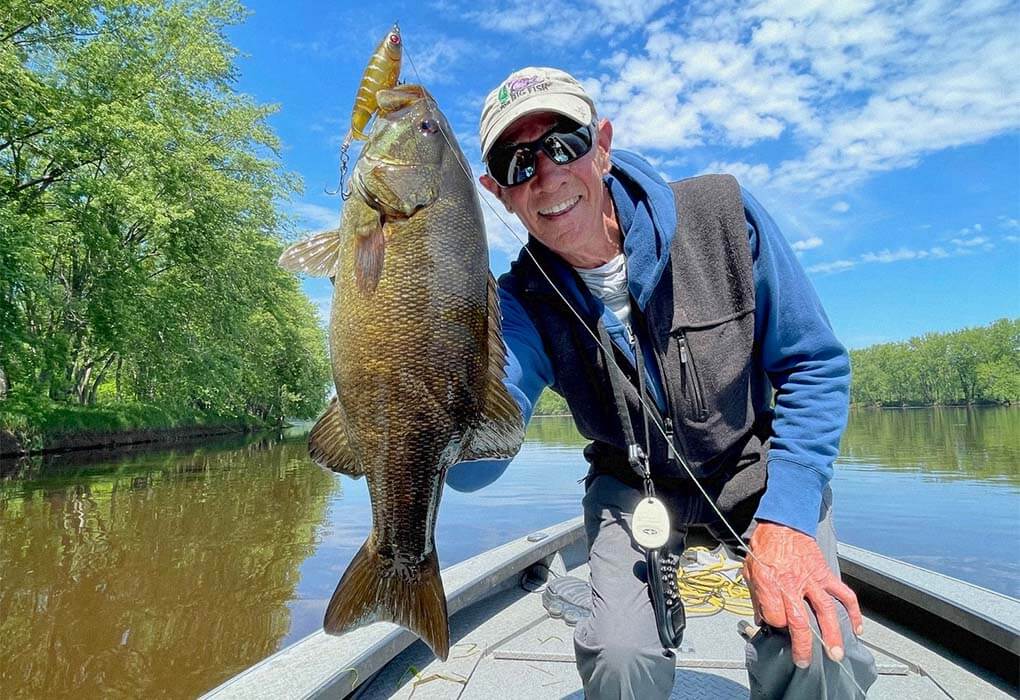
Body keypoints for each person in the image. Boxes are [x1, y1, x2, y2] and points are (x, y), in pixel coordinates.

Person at [445, 66, 878, 699]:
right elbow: (472, 467)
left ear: (603, 143)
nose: (547, 172)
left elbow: (813, 365)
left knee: (819, 644)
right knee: (620, 657)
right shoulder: (517, 304)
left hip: (756, 477)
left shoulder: (724, 216)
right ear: (498, 191)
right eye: (517, 163)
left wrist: (788, 519)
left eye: (563, 142)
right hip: (629, 493)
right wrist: (399, 382)